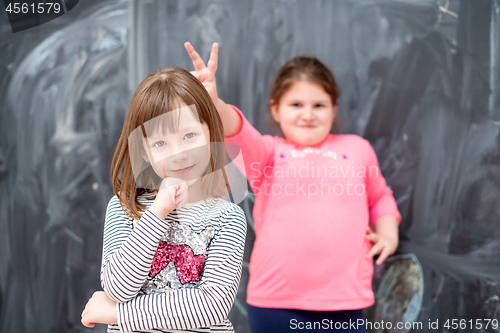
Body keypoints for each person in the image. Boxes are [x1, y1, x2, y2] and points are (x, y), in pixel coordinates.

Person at [184, 42, 401, 332]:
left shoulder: (358, 149)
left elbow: (380, 197)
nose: (308, 114)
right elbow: (238, 131)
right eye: (296, 104)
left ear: (334, 108)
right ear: (276, 109)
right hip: (275, 301)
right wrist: (213, 103)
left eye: (319, 105)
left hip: (344, 301)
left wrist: (388, 233)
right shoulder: (269, 153)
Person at [80, 67, 247, 332]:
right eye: (160, 144)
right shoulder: (124, 208)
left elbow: (212, 306)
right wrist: (157, 212)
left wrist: (118, 314)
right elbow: (118, 288)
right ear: (145, 152)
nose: (178, 154)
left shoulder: (228, 218)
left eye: (189, 136)